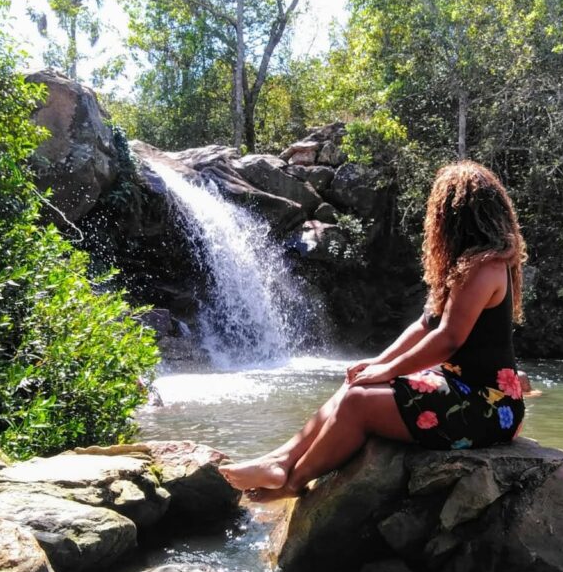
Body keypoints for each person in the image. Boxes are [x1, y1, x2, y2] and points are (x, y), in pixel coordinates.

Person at [219, 160, 529, 500]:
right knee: (357, 381)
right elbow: (424, 325)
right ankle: (281, 460)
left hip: (487, 408)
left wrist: (390, 370)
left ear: (452, 216)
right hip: (460, 389)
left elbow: (448, 340)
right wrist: (377, 364)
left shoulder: (485, 267)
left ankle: (294, 483)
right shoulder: (467, 265)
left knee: (357, 404)